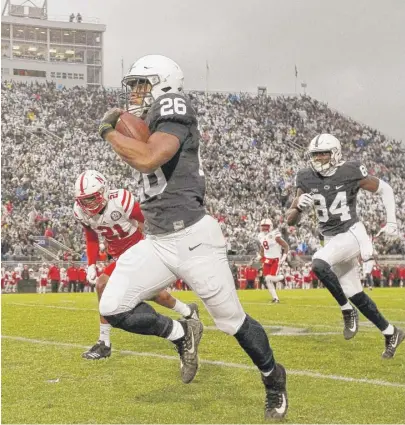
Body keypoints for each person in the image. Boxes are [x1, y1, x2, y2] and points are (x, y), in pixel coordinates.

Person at [97, 54, 287, 419]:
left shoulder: (174, 104)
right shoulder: (152, 118)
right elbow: (146, 150)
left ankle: (273, 378)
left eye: (142, 83)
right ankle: (181, 334)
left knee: (232, 321)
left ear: (163, 83)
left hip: (193, 238)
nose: (136, 91)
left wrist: (108, 131)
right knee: (113, 306)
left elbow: (149, 158)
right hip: (157, 240)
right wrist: (123, 127)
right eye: (133, 84)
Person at [286, 133, 404, 359]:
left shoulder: (349, 171)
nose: (319, 158)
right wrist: (299, 207)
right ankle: (391, 332)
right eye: (315, 154)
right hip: (330, 238)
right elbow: (290, 219)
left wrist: (391, 221)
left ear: (335, 153)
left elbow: (385, 189)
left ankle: (346, 310)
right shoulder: (305, 177)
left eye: (324, 153)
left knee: (319, 264)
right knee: (354, 292)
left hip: (351, 232)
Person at [73, 170, 199, 361]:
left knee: (137, 290)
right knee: (121, 288)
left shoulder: (121, 199)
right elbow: (91, 237)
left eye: (92, 198)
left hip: (138, 250)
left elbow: (145, 221)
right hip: (118, 257)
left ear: (104, 190)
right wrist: (91, 264)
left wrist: (148, 248)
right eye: (84, 200)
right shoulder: (80, 211)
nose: (88, 204)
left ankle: (186, 311)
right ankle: (187, 311)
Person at [258, 219, 289, 303]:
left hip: (275, 258)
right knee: (267, 279)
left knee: (269, 278)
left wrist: (284, 256)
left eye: (266, 226)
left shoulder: (275, 234)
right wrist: (260, 256)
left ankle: (282, 277)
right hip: (267, 259)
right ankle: (275, 298)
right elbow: (262, 248)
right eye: (263, 226)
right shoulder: (260, 235)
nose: (264, 228)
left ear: (270, 226)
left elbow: (286, 246)